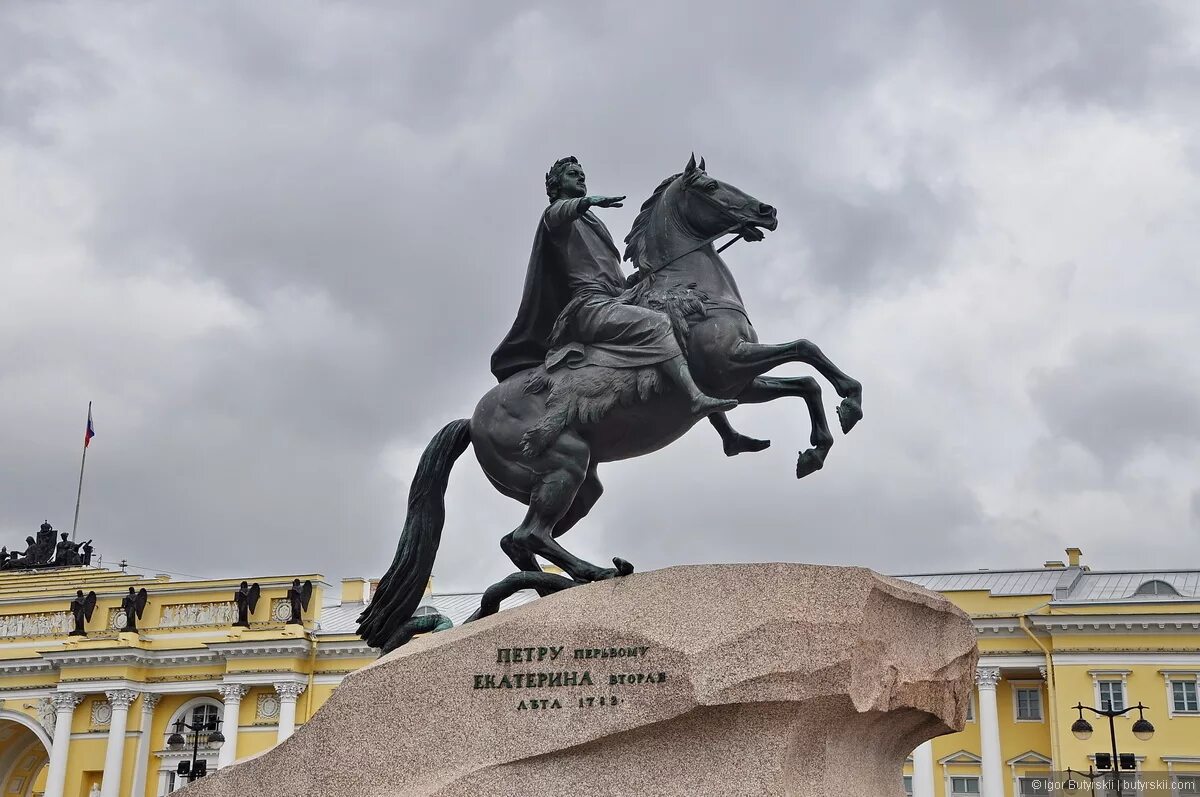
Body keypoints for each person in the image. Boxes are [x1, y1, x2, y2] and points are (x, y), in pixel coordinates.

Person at [491, 156, 736, 418]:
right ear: (556, 185)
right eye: (573, 174)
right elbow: (557, 215)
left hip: (614, 300)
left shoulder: (591, 222)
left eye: (582, 173)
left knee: (685, 325)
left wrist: (635, 281)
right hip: (589, 308)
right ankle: (695, 398)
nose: (581, 177)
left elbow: (609, 276)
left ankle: (726, 432)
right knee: (660, 324)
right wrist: (585, 202)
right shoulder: (559, 217)